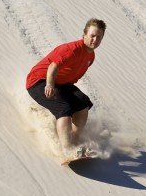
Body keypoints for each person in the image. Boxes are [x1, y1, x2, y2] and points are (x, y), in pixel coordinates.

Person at [26, 18, 106, 164]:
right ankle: (67, 150)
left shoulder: (90, 56)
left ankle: (75, 142)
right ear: (84, 35)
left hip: (61, 83)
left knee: (83, 104)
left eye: (99, 37)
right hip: (39, 81)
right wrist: (49, 85)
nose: (95, 39)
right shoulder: (72, 49)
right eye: (92, 35)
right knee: (64, 108)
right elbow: (53, 67)